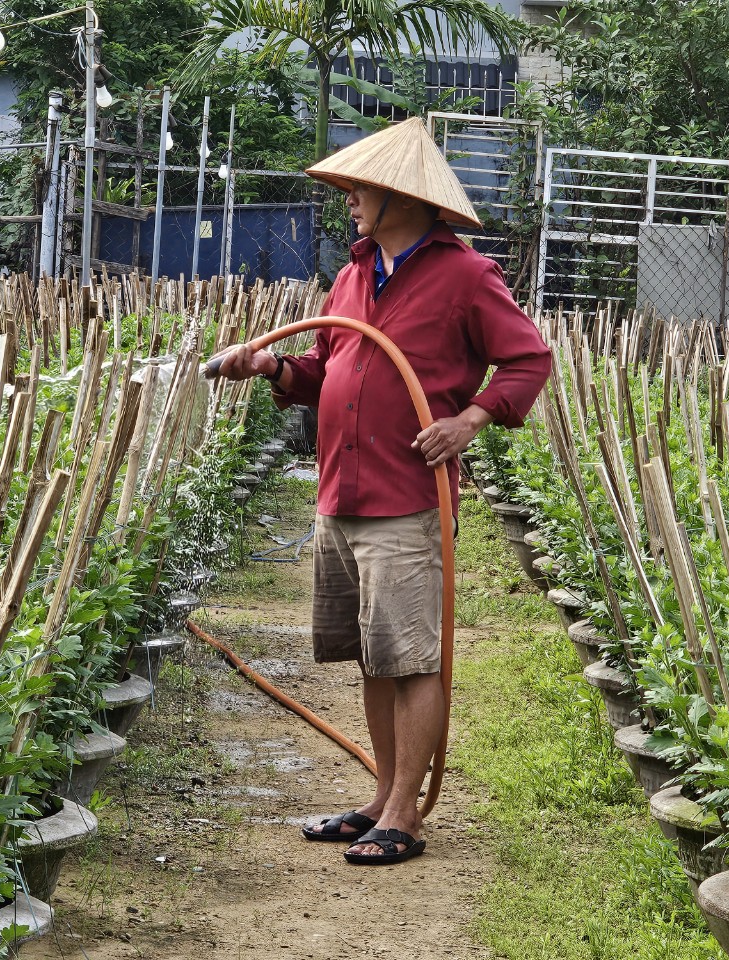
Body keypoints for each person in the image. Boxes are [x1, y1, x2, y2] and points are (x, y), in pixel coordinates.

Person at [215, 117, 551, 865]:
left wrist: (469, 420)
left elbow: (529, 361)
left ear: (401, 197)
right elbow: (324, 368)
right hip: (342, 492)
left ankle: (406, 811)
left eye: (359, 189)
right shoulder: (352, 275)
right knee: (373, 655)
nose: (349, 202)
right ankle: (381, 795)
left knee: (412, 657)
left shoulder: (466, 276)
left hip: (408, 496)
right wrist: (272, 370)